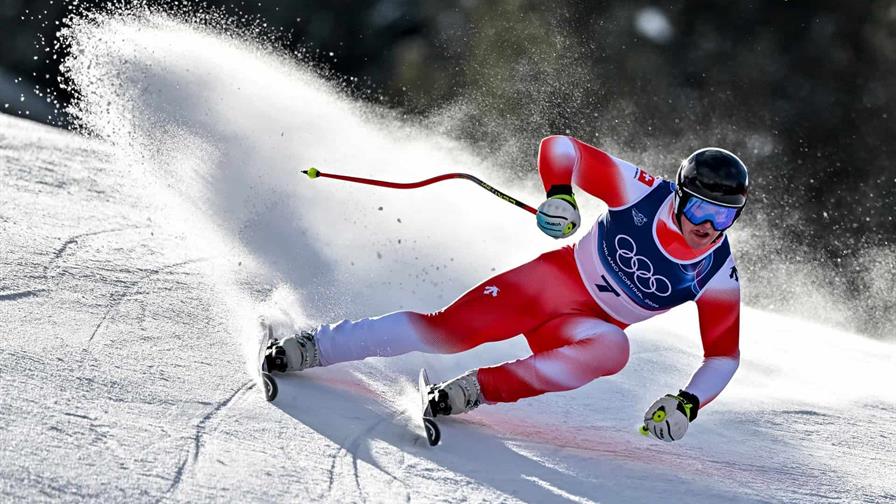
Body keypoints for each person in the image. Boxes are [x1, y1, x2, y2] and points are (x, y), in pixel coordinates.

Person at [265, 135, 748, 442]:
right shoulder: (644, 193)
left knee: (613, 349)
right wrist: (561, 194)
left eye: (725, 217)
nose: (709, 226)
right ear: (680, 195)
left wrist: (688, 402)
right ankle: (315, 346)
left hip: (584, 325)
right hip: (549, 285)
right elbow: (562, 148)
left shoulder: (716, 272)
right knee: (449, 332)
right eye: (702, 209)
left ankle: (476, 391)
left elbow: (723, 355)